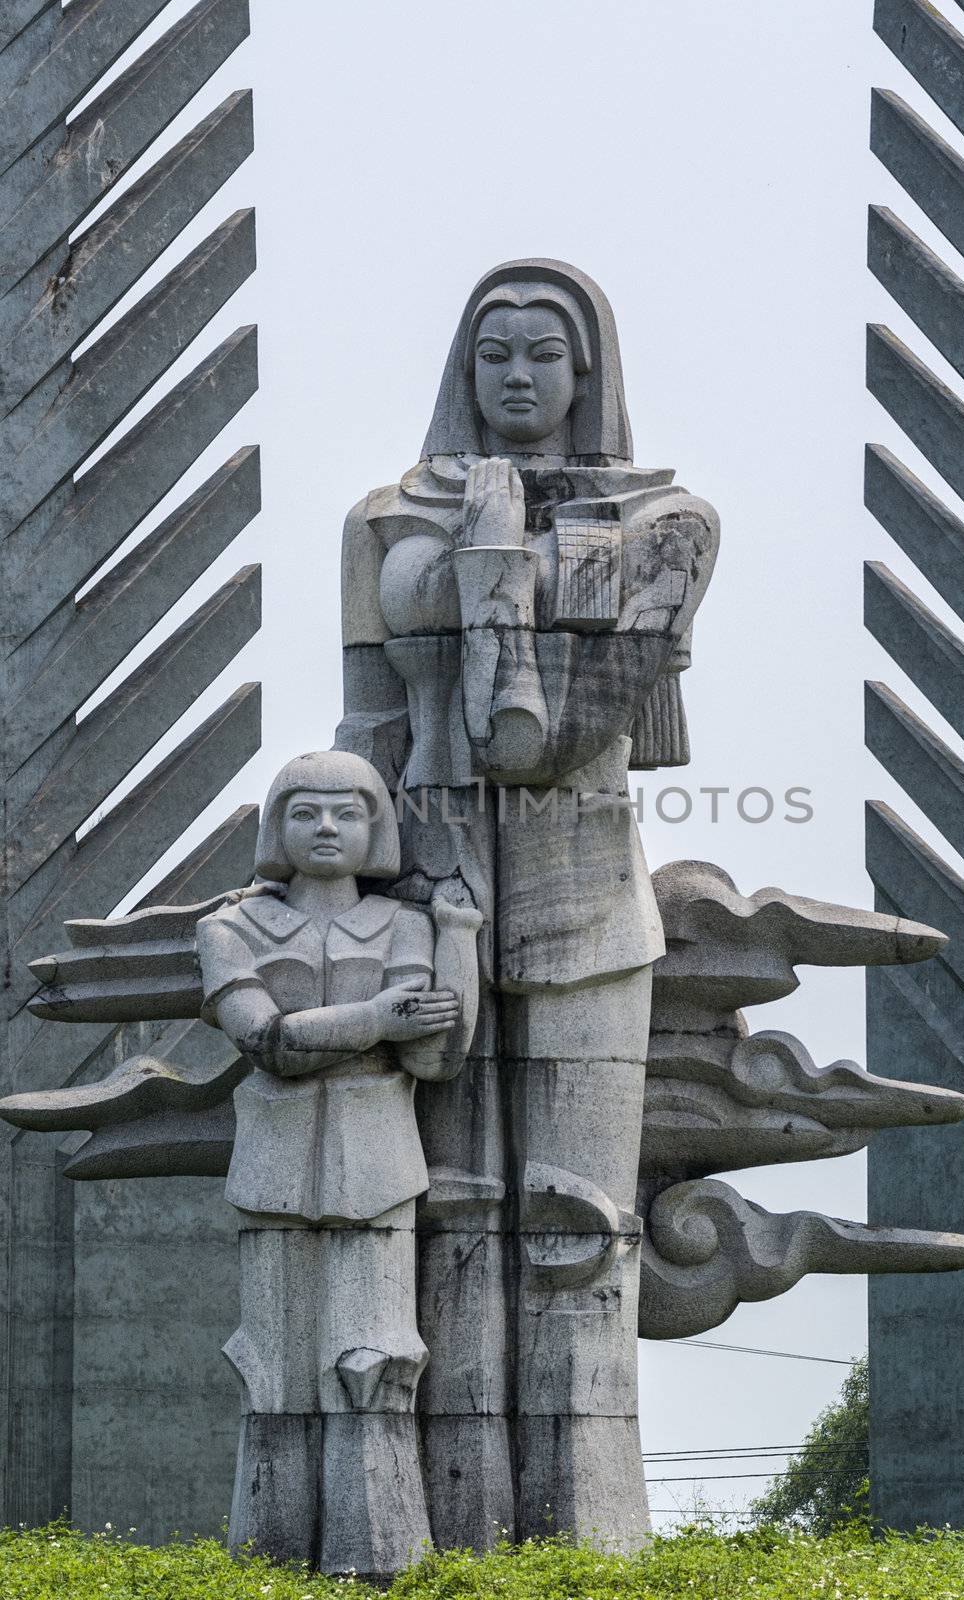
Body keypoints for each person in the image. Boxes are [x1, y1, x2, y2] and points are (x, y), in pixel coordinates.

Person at [336, 259, 720, 1549]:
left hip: (579, 892)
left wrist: (505, 558)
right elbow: (368, 723)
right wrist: (341, 888)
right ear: (463, 363)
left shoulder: (665, 518)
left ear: (586, 372)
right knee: (437, 1213)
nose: (514, 374)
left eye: (541, 354)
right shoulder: (386, 517)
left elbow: (555, 736)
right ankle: (436, 1527)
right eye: (492, 350)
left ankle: (586, 1539)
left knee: (572, 1218)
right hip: (419, 898)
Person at [196, 749, 480, 1581]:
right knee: (270, 1367)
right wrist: (375, 1019)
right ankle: (266, 1563)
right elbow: (267, 1041)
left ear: (375, 828)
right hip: (274, 1167)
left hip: (381, 1166)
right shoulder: (229, 927)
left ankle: (379, 1557)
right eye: (306, 812)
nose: (326, 828)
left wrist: (457, 942)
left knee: (375, 1363)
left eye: (347, 812)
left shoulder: (405, 926)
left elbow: (434, 1059)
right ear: (276, 827)